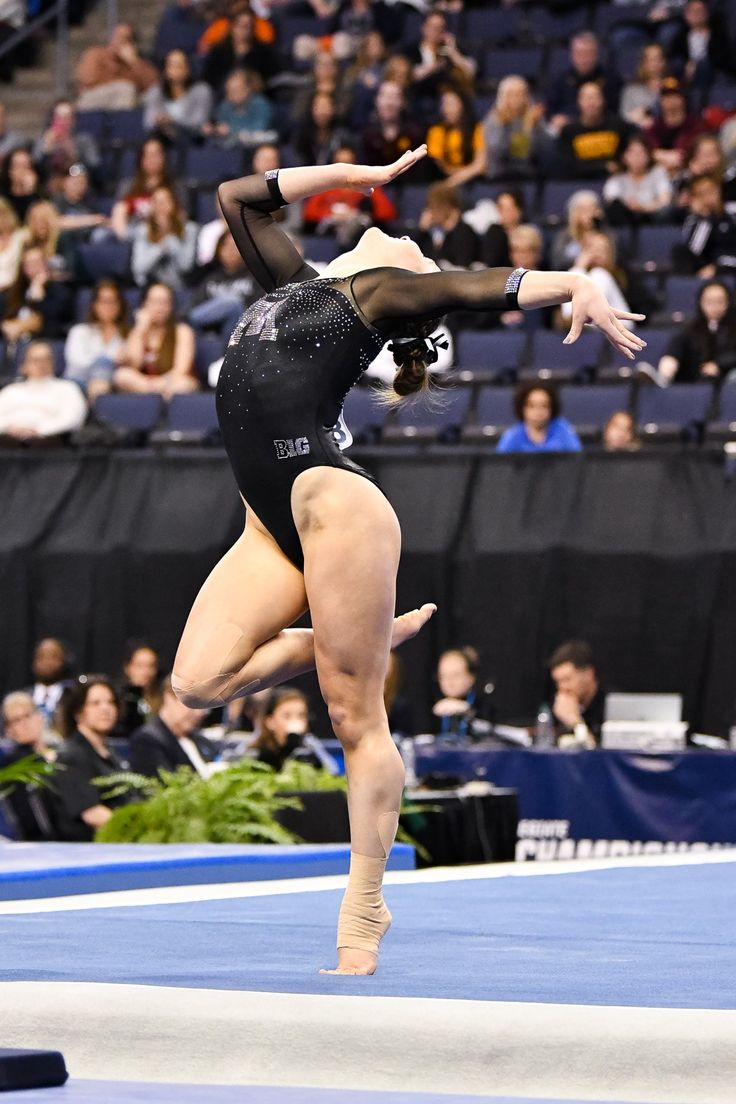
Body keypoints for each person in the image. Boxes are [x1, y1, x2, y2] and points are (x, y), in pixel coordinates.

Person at [169, 145, 645, 974]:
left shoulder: (376, 292)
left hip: (331, 507)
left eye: (417, 249)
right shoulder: (296, 285)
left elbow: (477, 287)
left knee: (355, 717)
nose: (406, 239)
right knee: (197, 684)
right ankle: (353, 636)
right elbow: (239, 196)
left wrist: (574, 284)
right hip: (266, 526)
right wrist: (360, 176)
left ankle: (364, 909)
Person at [50, 675, 127, 842]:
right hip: (93, 848)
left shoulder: (111, 753)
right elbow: (93, 814)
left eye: (110, 702)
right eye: (96, 703)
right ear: (78, 713)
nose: (106, 708)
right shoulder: (70, 756)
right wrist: (137, 829)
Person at [114, 281, 197, 397]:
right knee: (122, 375)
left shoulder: (182, 331)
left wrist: (158, 384)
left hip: (170, 383)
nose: (160, 307)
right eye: (154, 302)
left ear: (171, 306)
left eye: (164, 302)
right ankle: (154, 398)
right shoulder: (138, 331)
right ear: (144, 303)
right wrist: (140, 329)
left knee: (183, 384)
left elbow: (181, 370)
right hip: (144, 383)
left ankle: (153, 400)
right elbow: (134, 364)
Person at [0, 339, 87, 445]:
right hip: (8, 439)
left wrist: (39, 430)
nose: (41, 364)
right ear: (24, 364)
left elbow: (72, 419)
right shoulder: (10, 391)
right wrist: (11, 428)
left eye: (46, 359)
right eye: (35, 359)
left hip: (48, 442)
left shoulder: (67, 388)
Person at [129, 675, 215, 778]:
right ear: (169, 697)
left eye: (204, 706)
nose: (199, 713)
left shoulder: (201, 740)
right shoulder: (146, 741)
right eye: (193, 704)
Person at [1, 691, 56, 840]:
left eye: (27, 715)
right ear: (9, 730)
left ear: (39, 717)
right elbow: (29, 819)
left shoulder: (61, 751)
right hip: (46, 842)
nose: (24, 723)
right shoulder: (15, 763)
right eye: (16, 720)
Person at [657, 279, 736, 382]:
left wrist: (719, 364)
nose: (714, 307)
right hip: (697, 378)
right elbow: (678, 347)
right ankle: (661, 380)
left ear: (728, 303)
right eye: (709, 302)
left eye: (720, 301)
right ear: (701, 302)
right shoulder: (692, 328)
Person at [64, 279, 130, 399]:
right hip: (77, 384)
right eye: (104, 301)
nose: (108, 306)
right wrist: (112, 359)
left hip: (110, 387)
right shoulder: (80, 331)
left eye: (113, 301)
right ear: (95, 305)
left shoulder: (127, 336)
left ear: (120, 305)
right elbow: (77, 362)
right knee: (103, 364)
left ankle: (98, 406)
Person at [545, 32, 620, 134]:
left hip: (601, 129)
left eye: (588, 53)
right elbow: (550, 110)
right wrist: (555, 118)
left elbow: (615, 112)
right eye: (579, 53)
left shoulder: (611, 80)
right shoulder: (560, 80)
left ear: (596, 54)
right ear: (572, 55)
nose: (583, 58)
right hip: (566, 129)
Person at [556, 81, 634, 179]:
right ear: (579, 101)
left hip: (615, 181)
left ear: (603, 100)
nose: (591, 102)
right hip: (579, 184)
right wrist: (603, 167)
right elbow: (568, 166)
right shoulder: (569, 131)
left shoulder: (618, 126)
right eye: (587, 98)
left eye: (595, 97)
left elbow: (628, 154)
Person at [75, 22, 159, 112]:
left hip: (127, 101)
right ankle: (122, 125)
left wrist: (134, 63)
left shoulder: (134, 61)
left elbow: (153, 85)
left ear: (132, 43)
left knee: (153, 96)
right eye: (117, 36)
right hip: (92, 99)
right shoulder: (96, 54)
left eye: (125, 38)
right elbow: (88, 80)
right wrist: (116, 75)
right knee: (126, 89)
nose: (119, 41)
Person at [130, 184, 199, 290]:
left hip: (180, 287)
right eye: (156, 202)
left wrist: (171, 240)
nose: (160, 206)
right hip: (150, 287)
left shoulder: (190, 229)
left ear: (174, 204)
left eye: (165, 201)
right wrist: (161, 247)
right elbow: (138, 267)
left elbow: (186, 266)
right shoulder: (143, 230)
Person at [1, 245, 74, 343]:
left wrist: (39, 298)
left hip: (43, 343)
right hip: (12, 343)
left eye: (38, 263)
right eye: (29, 264)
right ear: (23, 268)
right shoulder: (13, 292)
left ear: (46, 265)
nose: (34, 268)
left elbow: (52, 323)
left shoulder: (60, 291)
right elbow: (5, 321)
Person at [110, 137, 178, 242]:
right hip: (133, 231)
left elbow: (181, 216)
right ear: (141, 159)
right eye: (148, 155)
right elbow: (119, 213)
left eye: (156, 155)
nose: (152, 159)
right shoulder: (128, 186)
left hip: (164, 233)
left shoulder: (175, 186)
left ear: (164, 158)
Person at [672, 173, 736, 277]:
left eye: (710, 191)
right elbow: (694, 249)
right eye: (701, 194)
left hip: (729, 264)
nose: (708, 197)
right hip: (705, 266)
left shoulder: (732, 213)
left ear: (718, 190)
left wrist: (717, 267)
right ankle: (686, 286)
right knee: (679, 250)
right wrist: (704, 218)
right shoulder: (695, 219)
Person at [482, 75, 544, 181]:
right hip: (500, 174)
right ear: (503, 96)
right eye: (512, 95)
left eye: (521, 94)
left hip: (526, 173)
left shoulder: (532, 117)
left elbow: (538, 153)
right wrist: (504, 128)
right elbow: (495, 153)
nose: (517, 99)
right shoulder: (494, 119)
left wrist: (535, 128)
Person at [143, 49, 213, 141]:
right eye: (171, 65)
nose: (174, 70)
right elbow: (148, 122)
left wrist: (173, 121)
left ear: (188, 69)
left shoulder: (201, 91)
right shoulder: (156, 92)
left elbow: (199, 122)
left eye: (179, 66)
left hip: (193, 142)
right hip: (163, 141)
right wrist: (157, 121)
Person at [603, 135, 673, 226]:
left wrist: (643, 207)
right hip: (625, 219)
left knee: (665, 212)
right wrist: (629, 206)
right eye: (632, 153)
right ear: (624, 157)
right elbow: (611, 200)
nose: (637, 157)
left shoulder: (658, 173)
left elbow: (665, 200)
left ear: (648, 155)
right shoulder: (617, 178)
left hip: (652, 218)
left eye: (641, 153)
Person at [497, 380, 583, 453]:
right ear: (522, 408)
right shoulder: (512, 435)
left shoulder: (563, 430)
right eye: (532, 406)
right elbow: (501, 466)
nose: (538, 412)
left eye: (544, 406)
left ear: (552, 408)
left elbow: (577, 462)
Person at [547, 639, 606, 746]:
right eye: (558, 682)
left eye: (567, 679)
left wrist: (575, 722)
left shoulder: (610, 706)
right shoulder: (561, 706)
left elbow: (596, 752)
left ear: (589, 674)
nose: (562, 687)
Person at [425, 88, 485, 189]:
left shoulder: (476, 128)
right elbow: (441, 165)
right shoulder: (436, 131)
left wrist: (451, 183)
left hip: (472, 183)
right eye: (444, 104)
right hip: (443, 179)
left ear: (462, 106)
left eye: (451, 104)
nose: (446, 109)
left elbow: (480, 165)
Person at [432, 646, 492, 741]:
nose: (449, 682)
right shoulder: (435, 707)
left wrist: (467, 710)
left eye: (455, 675)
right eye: (443, 676)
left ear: (471, 677)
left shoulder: (484, 705)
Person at [205, 67, 276, 147]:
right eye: (228, 91)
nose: (231, 95)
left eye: (236, 90)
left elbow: (259, 128)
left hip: (254, 146)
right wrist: (212, 129)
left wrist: (232, 130)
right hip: (228, 146)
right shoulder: (225, 105)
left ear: (248, 88)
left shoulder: (260, 104)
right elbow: (220, 124)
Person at [415, 182, 480, 269]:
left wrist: (453, 230)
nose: (432, 212)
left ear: (450, 208)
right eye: (430, 206)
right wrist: (422, 231)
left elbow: (462, 263)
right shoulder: (426, 234)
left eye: (437, 207)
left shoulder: (463, 231)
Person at [250, 685, 315, 771]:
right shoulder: (256, 755)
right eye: (287, 716)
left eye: (301, 716)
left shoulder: (310, 750)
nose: (295, 722)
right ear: (270, 721)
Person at [116, 641, 164, 739]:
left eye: (151, 666)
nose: (146, 672)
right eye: (139, 666)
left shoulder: (163, 699)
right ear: (127, 668)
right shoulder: (118, 699)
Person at [549, 189, 606, 272]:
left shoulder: (605, 233)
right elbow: (557, 263)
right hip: (571, 274)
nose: (589, 214)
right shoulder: (565, 236)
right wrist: (581, 259)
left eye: (593, 209)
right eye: (584, 210)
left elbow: (612, 260)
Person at [619, 42, 671, 129]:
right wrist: (640, 120)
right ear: (643, 63)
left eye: (658, 59)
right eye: (651, 60)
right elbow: (624, 118)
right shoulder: (631, 91)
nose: (655, 64)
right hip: (640, 133)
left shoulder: (672, 86)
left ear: (664, 62)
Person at [26, 637, 72, 726]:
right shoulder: (22, 697)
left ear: (64, 661)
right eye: (41, 656)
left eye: (53, 657)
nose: (47, 662)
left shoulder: (73, 695)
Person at [0, 146, 44, 222]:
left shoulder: (38, 193)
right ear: (10, 171)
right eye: (19, 166)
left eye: (27, 166)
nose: (23, 170)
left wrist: (30, 192)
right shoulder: (2, 193)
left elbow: (38, 221)